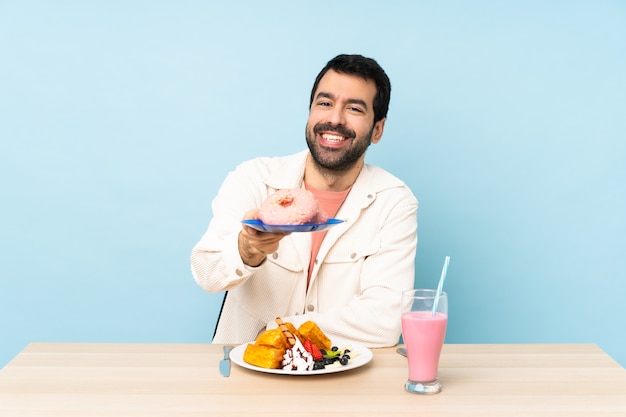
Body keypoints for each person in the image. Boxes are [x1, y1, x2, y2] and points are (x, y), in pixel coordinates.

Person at [191, 54, 418, 348]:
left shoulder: (394, 201)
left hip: (338, 381)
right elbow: (206, 272)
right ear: (310, 112)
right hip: (244, 378)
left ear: (377, 129)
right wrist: (247, 250)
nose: (335, 119)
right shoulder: (255, 178)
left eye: (354, 108)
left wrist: (280, 330)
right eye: (324, 103)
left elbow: (385, 322)